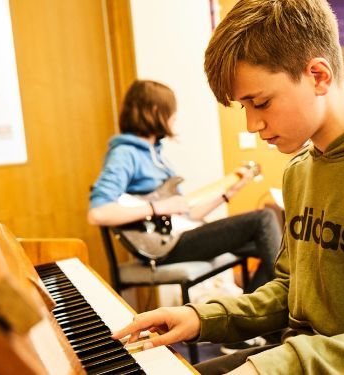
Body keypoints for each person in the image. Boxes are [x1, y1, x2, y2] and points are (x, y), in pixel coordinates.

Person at [112, 1, 344, 374]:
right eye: (244, 107)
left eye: (259, 102)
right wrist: (202, 317)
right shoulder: (299, 171)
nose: (251, 124)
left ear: (318, 76)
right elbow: (292, 291)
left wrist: (279, 366)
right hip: (306, 357)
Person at [88, 80, 281, 296]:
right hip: (165, 247)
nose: (175, 118)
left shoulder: (156, 155)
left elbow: (187, 214)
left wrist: (227, 195)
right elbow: (98, 213)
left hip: (180, 235)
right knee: (264, 219)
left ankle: (254, 319)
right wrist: (156, 208)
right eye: (172, 113)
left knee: (274, 247)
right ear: (155, 111)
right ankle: (284, 304)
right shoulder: (125, 153)